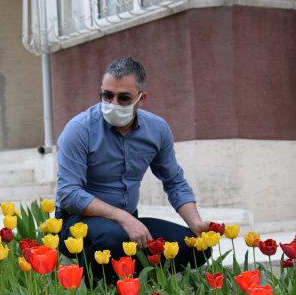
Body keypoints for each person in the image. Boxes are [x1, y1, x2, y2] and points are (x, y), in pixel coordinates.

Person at [55, 56, 210, 282]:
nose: (114, 104)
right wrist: (123, 219)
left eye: (124, 98)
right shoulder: (79, 129)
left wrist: (195, 223)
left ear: (141, 98)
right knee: (113, 238)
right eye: (107, 96)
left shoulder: (157, 129)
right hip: (76, 223)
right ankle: (95, 282)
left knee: (197, 248)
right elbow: (69, 194)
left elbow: (174, 182)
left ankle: (132, 280)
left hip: (127, 221)